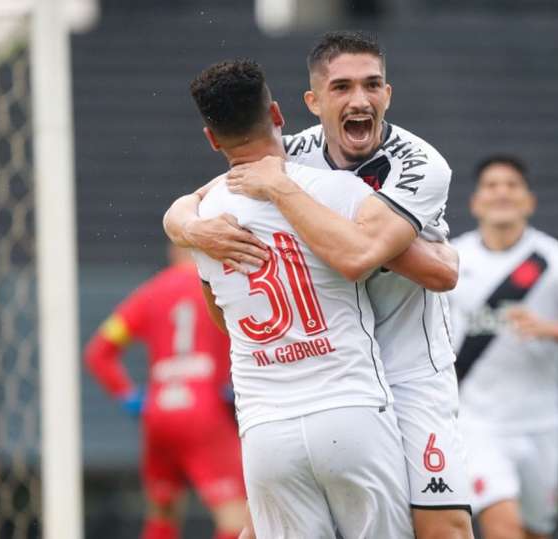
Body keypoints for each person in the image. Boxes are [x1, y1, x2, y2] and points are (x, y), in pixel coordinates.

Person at [164, 31, 473, 539]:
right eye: (342, 87)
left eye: (372, 85)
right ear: (311, 103)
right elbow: (197, 199)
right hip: (331, 373)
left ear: (388, 94)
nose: (359, 100)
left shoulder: (419, 163)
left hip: (409, 369)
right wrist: (186, 226)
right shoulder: (296, 151)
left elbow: (388, 261)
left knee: (445, 529)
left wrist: (284, 194)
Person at [188, 58, 415, 538]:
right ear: (277, 114)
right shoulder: (338, 190)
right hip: (350, 409)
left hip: (266, 429)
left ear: (211, 139)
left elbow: (221, 317)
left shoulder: (204, 220)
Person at [448, 155, 558, 539]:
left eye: (512, 185)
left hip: (540, 424)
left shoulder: (557, 262)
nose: (502, 193)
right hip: (477, 424)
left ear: (529, 201)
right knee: (502, 524)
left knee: (533, 531)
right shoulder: (452, 260)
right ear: (476, 202)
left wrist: (549, 328)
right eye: (492, 186)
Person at [84, 245, 246, 539]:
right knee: (236, 518)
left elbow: (99, 353)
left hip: (159, 414)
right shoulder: (223, 287)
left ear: (173, 250)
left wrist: (131, 399)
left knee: (163, 513)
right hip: (205, 412)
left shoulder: (149, 293)